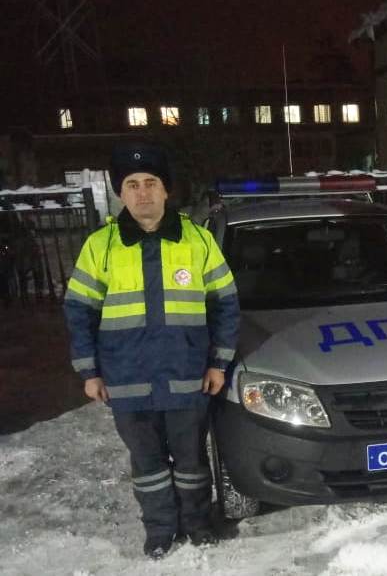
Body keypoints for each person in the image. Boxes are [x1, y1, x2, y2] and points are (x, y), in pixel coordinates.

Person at [63, 142, 239, 558]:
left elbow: (226, 305)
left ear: (166, 190)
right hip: (127, 383)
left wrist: (218, 364)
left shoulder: (197, 241)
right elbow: (78, 311)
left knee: (192, 462)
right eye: (133, 184)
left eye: (151, 183)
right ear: (121, 193)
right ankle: (160, 530)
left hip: (187, 378)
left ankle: (196, 523)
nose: (143, 192)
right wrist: (89, 372)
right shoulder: (100, 246)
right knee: (148, 466)